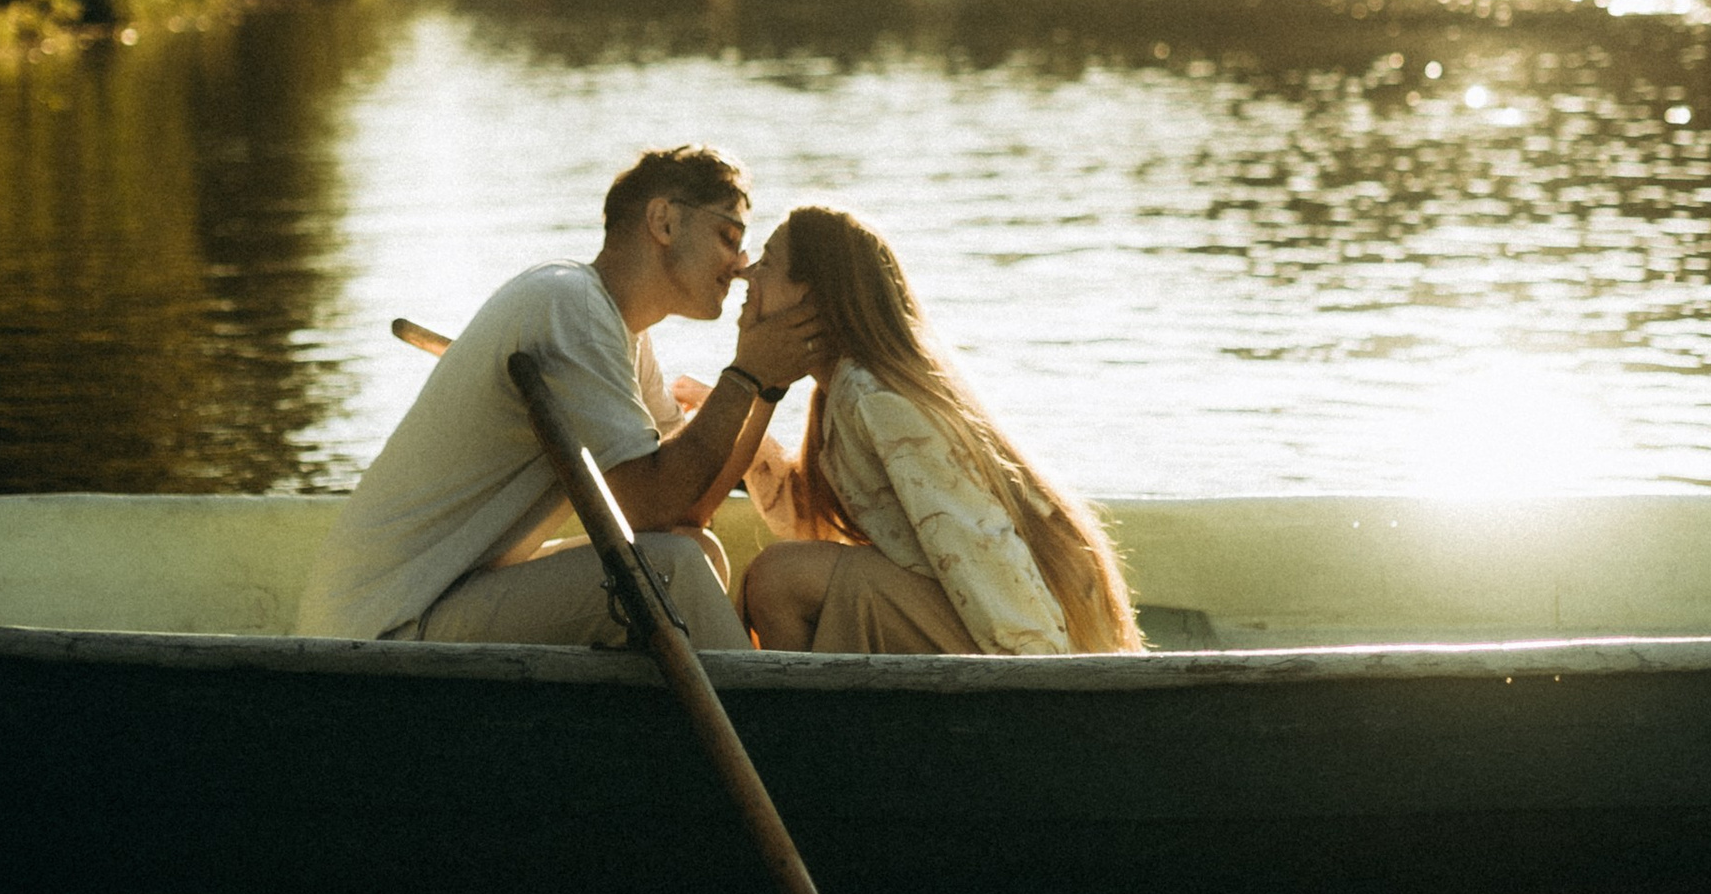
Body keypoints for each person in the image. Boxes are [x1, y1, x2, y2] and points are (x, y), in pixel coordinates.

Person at [294, 144, 822, 649]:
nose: (741, 263)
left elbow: (688, 510)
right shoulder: (569, 305)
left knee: (693, 551)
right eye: (728, 236)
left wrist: (765, 389)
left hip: (440, 600)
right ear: (663, 222)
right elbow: (652, 505)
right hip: (385, 628)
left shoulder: (621, 332)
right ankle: (768, 735)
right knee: (673, 572)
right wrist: (744, 376)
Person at [728, 203, 1140, 656]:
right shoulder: (838, 392)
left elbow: (975, 538)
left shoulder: (875, 397)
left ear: (813, 297)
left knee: (777, 578)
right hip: (964, 605)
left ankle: (800, 725)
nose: (746, 275)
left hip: (1027, 636)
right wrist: (746, 396)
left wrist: (1037, 672)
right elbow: (809, 521)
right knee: (783, 572)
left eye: (767, 263)